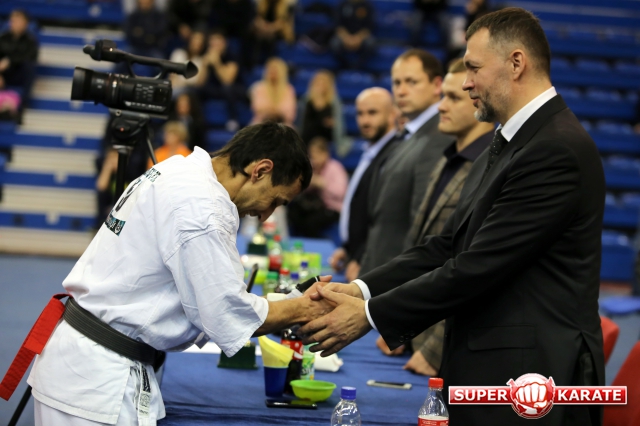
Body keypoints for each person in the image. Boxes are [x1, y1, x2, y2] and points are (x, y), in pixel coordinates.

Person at [301, 8, 606, 426]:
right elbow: (448, 247)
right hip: (494, 369)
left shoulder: (554, 149)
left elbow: (479, 267)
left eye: (474, 68)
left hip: (530, 382)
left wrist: (370, 316)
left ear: (516, 63)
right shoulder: (511, 140)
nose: (465, 82)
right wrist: (360, 290)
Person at [10, 122, 334, 425]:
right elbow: (226, 314)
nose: (265, 215)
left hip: (85, 360)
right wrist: (304, 308)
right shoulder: (202, 208)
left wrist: (288, 303)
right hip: (95, 378)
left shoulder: (179, 170)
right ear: (260, 170)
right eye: (275, 201)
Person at [375, 57, 494, 376]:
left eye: (453, 98)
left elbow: (473, 270)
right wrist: (400, 323)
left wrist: (435, 349)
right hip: (417, 334)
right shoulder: (448, 159)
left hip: (447, 350)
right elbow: (424, 248)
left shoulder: (489, 168)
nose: (441, 106)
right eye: (443, 97)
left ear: (478, 101)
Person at [357, 49, 453, 276]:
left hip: (395, 277)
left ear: (436, 85)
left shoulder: (439, 137)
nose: (401, 91)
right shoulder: (408, 134)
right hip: (377, 269)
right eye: (397, 82)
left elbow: (420, 225)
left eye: (411, 82)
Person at [330, 88, 398, 282]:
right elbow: (361, 206)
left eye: (372, 113)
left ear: (392, 114)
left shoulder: (394, 155)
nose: (365, 121)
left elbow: (385, 218)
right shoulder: (371, 151)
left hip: (372, 263)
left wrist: (361, 257)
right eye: (360, 114)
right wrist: (349, 249)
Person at [287, 137, 348, 238]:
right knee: (294, 213)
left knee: (312, 222)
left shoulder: (335, 167)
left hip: (333, 208)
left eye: (317, 154)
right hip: (316, 205)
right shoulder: (313, 167)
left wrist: (323, 184)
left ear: (325, 154)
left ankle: (321, 243)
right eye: (312, 155)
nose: (314, 159)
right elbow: (303, 191)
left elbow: (341, 192)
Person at [201, 31, 246, 132]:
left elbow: (228, 80)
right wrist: (204, 66)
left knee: (227, 88)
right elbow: (200, 82)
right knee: (197, 90)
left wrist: (217, 62)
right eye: (212, 41)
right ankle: (199, 122)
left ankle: (233, 120)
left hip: (235, 88)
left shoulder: (232, 56)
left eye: (218, 41)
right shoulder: (207, 56)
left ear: (224, 43)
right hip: (216, 89)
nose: (215, 44)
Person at [297, 70, 349, 156]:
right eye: (319, 83)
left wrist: (332, 123)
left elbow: (338, 125)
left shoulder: (334, 102)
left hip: (327, 138)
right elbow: (302, 124)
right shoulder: (306, 101)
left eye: (324, 83)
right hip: (308, 137)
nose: (321, 86)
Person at [0, 9, 38, 118]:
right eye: (12, 20)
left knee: (29, 68)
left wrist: (10, 61)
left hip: (19, 73)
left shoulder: (30, 40)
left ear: (25, 23)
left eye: (18, 21)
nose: (14, 23)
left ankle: (22, 105)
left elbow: (31, 57)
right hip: (4, 73)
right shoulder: (3, 38)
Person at [250, 57, 296, 126]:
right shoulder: (259, 87)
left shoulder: (289, 89)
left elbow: (290, 111)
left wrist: (275, 111)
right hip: (261, 123)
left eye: (275, 71)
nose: (273, 73)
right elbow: (257, 107)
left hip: (283, 124)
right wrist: (271, 110)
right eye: (271, 70)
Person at [330, 0, 376, 70]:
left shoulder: (367, 6)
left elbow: (369, 27)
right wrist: (346, 37)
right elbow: (338, 25)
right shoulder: (342, 5)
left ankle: (358, 66)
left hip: (361, 35)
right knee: (335, 44)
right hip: (344, 35)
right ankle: (345, 66)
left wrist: (358, 38)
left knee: (370, 43)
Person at [251, 0, 294, 67]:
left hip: (279, 32)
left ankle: (270, 63)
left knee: (270, 37)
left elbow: (283, 23)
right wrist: (263, 26)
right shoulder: (262, 4)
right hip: (263, 30)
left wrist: (271, 28)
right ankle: (253, 63)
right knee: (258, 36)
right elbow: (257, 19)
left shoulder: (285, 6)